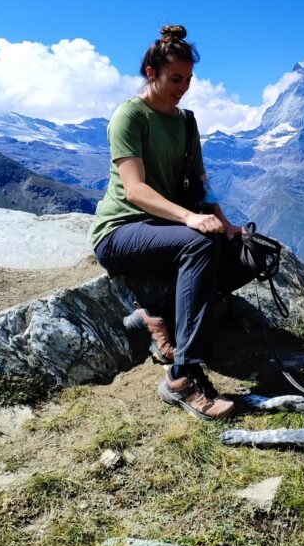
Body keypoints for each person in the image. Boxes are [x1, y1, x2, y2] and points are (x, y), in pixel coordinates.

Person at [91, 24, 248, 420]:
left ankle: (156, 314)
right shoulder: (130, 116)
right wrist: (191, 219)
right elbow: (135, 191)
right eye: (175, 78)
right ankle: (182, 376)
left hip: (165, 232)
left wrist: (226, 225)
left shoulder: (186, 122)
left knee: (245, 252)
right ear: (151, 73)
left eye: (189, 80)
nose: (183, 87)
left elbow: (201, 185)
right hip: (121, 233)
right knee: (198, 242)